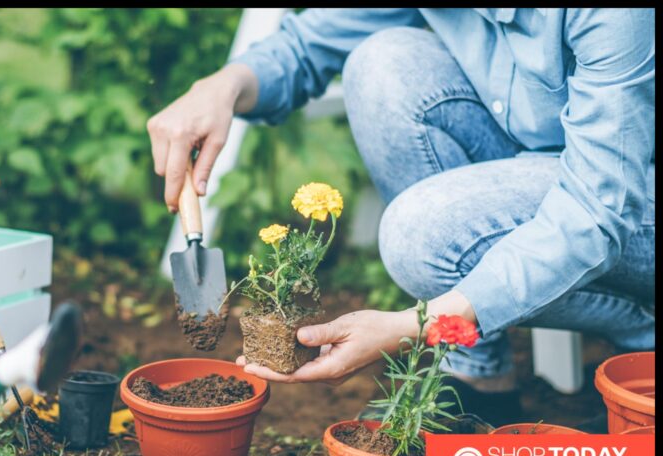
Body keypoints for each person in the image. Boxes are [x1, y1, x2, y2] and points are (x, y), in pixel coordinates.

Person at [146, 8, 655, 425]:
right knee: (382, 62)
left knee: (422, 234)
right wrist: (224, 86)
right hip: (546, 168)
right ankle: (476, 381)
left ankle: (644, 323)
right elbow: (309, 46)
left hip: (628, 202)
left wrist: (420, 324)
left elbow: (598, 208)